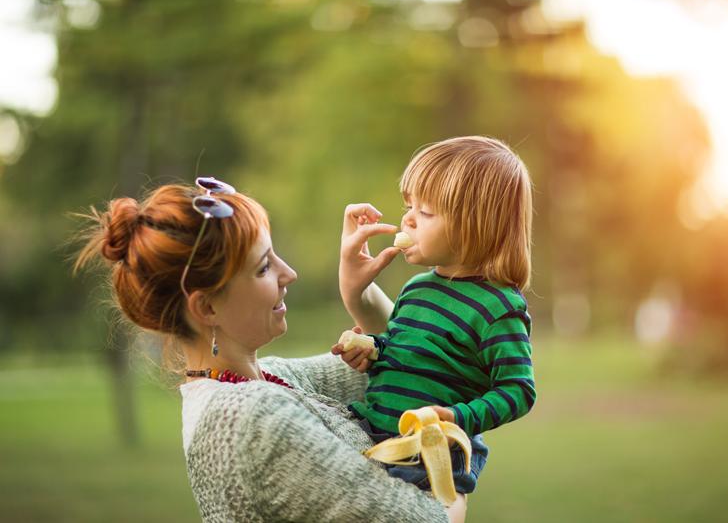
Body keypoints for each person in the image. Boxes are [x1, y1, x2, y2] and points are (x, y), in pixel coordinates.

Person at [74, 178, 466, 522]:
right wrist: (457, 471)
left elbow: (418, 364)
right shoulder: (249, 419)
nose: (288, 273)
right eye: (263, 268)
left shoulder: (267, 380)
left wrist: (356, 291)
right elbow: (431, 519)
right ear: (207, 307)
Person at [332, 136, 536, 495]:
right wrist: (373, 349)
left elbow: (518, 390)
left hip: (428, 456)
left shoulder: (499, 308)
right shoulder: (416, 289)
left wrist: (457, 417)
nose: (407, 219)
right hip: (375, 428)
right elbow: (406, 351)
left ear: (475, 225)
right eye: (409, 206)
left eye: (425, 213)